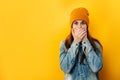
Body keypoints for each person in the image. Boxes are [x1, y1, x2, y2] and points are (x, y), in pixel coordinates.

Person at [59, 7, 103, 80]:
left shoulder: (96, 44)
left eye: (83, 23)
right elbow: (65, 68)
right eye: (76, 23)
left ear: (87, 26)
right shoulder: (64, 44)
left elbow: (96, 68)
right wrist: (75, 42)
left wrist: (85, 41)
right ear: (72, 26)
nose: (79, 26)